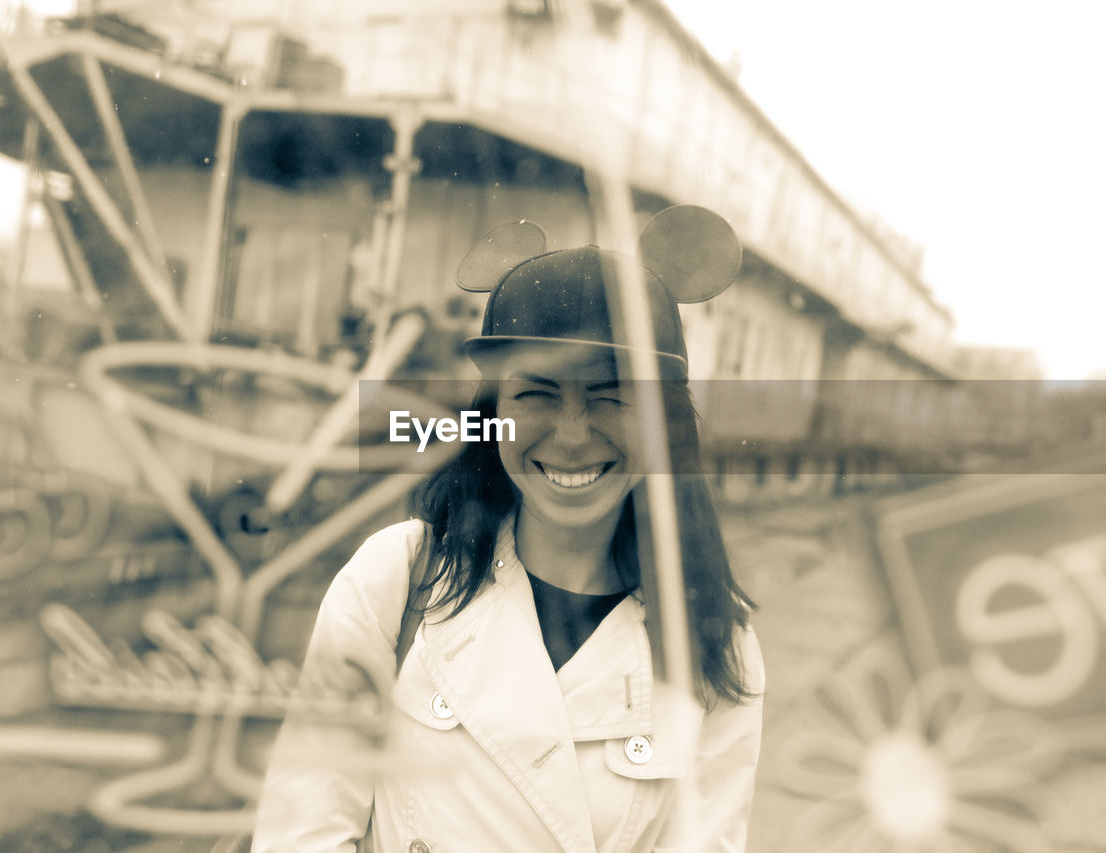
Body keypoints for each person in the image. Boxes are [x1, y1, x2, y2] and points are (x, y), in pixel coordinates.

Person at [252, 206, 766, 852]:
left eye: (613, 396)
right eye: (538, 395)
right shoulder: (396, 577)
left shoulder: (719, 643)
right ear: (491, 413)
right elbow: (303, 827)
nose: (573, 435)